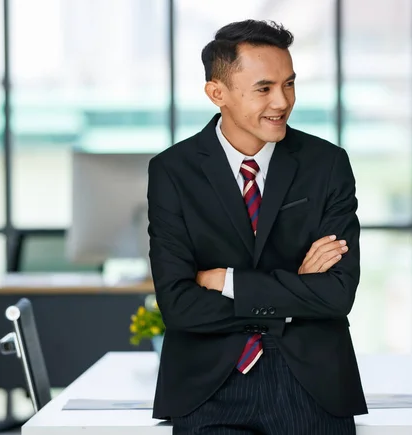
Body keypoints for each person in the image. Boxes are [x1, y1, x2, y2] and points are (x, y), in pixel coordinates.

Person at [147, 19, 367, 435]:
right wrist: (296, 292)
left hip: (312, 385)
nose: (282, 102)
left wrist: (227, 281)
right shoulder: (172, 172)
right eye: (264, 88)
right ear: (218, 93)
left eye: (289, 84)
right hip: (209, 389)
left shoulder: (327, 164)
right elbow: (177, 305)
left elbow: (337, 294)